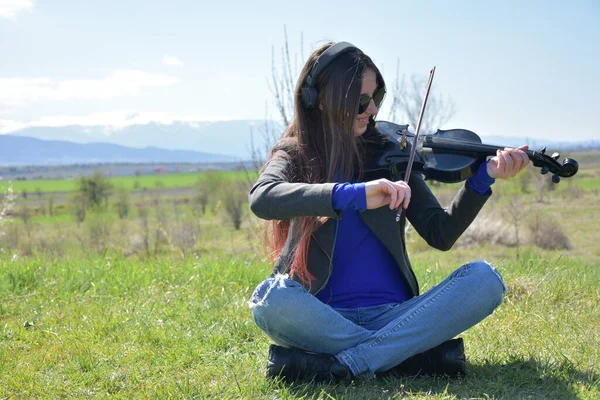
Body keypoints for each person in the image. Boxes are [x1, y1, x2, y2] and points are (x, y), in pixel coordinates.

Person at [247, 41, 529, 382]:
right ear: (320, 100)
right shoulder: (295, 152)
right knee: (270, 297)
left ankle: (352, 362)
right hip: (323, 318)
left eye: (376, 97)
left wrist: (483, 179)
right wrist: (352, 194)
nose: (373, 110)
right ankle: (402, 355)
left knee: (486, 280)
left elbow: (440, 232)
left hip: (398, 315)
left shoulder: (392, 153)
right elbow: (263, 197)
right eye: (360, 101)